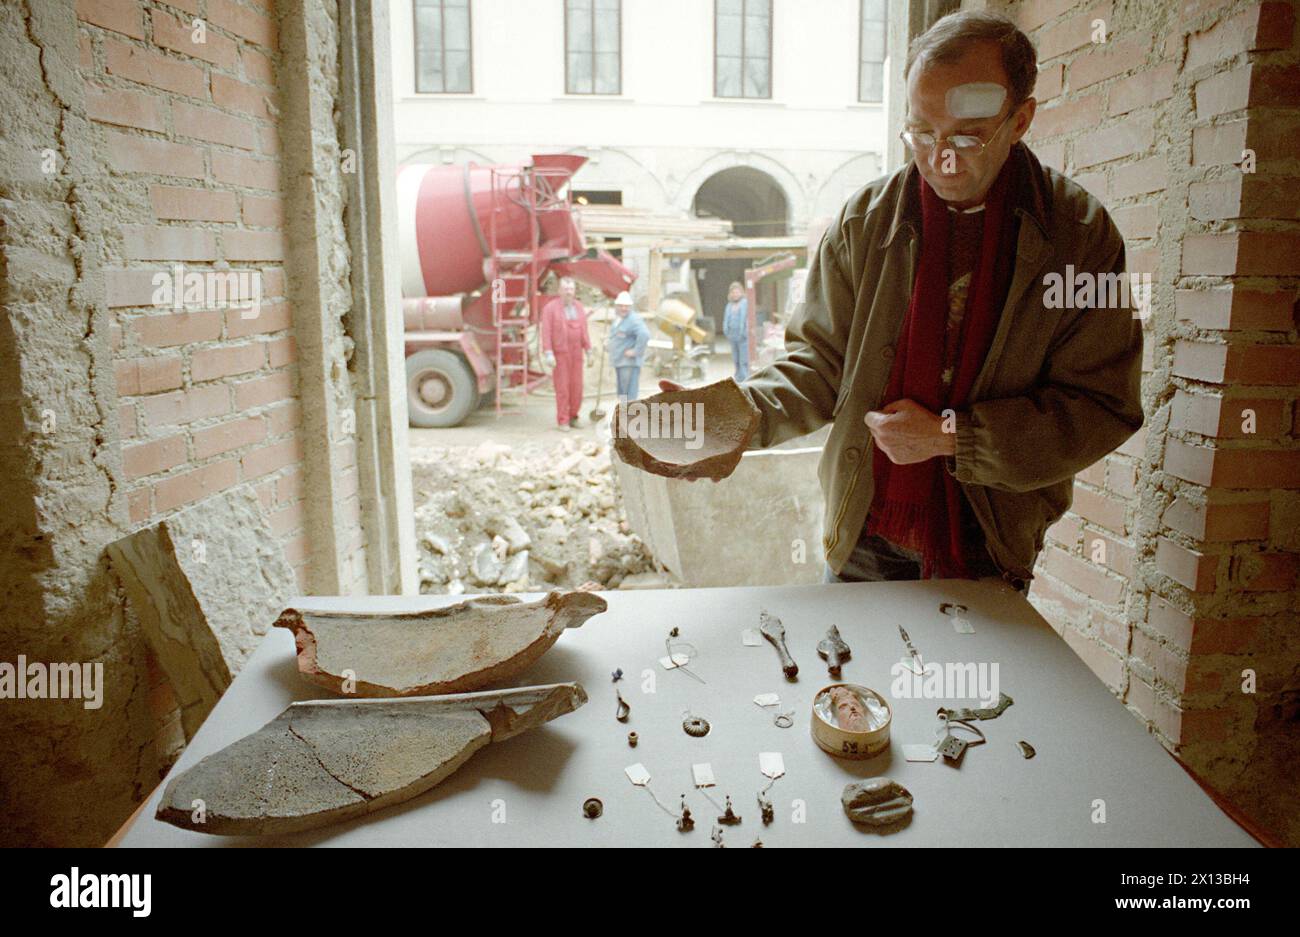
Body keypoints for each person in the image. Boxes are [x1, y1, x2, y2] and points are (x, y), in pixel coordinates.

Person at [641, 11, 1143, 594]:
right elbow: (821, 367)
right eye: (922, 133)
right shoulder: (864, 222)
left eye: (966, 135)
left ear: (1021, 118)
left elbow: (1101, 406)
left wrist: (953, 437)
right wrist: (738, 418)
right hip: (864, 526)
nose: (941, 159)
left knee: (969, 687)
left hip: (988, 539)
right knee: (849, 683)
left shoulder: (1078, 236)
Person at [540, 276, 592, 431]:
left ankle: (573, 417)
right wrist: (548, 353)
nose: (569, 292)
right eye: (565, 289)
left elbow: (584, 331)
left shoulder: (579, 307)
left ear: (574, 291)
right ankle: (563, 420)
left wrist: (589, 350)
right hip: (560, 354)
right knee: (563, 388)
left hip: (577, 353)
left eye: (571, 289)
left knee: (577, 388)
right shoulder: (550, 308)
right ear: (559, 291)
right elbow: (546, 332)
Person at [607, 291, 651, 402]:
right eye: (621, 306)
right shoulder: (619, 319)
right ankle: (624, 413)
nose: (623, 308)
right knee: (622, 392)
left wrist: (636, 351)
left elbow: (645, 334)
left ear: (630, 307)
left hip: (629, 364)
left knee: (629, 393)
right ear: (616, 306)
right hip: (620, 362)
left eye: (626, 306)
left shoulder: (634, 319)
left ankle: (630, 415)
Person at [722, 281, 750, 381]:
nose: (735, 294)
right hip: (732, 336)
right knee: (736, 359)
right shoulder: (729, 305)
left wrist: (744, 332)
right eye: (733, 292)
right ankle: (738, 379)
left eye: (737, 292)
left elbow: (747, 318)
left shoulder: (745, 303)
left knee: (743, 360)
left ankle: (745, 379)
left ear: (741, 292)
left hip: (742, 336)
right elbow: (726, 319)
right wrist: (726, 331)